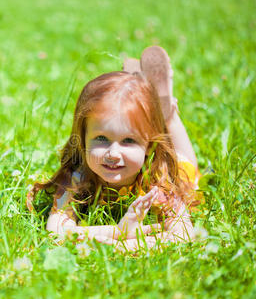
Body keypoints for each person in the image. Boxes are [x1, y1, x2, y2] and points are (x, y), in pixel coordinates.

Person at [27, 46, 201, 251]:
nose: (113, 154)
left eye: (128, 141)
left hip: (176, 167)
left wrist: (126, 246)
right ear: (82, 139)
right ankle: (145, 98)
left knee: (188, 169)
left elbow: (185, 234)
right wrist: (119, 232)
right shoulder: (76, 178)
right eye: (101, 138)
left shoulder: (159, 180)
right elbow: (55, 232)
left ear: (149, 145)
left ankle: (167, 111)